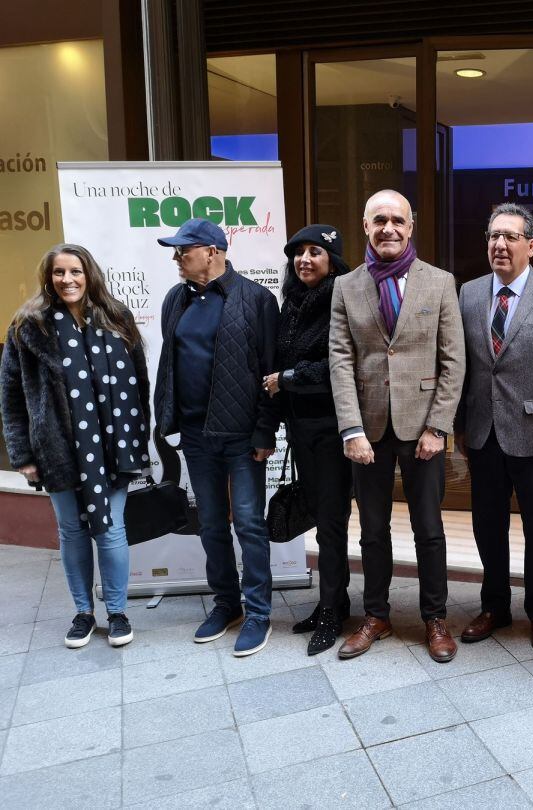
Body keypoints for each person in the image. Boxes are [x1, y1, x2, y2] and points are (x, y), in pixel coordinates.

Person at [329, 191, 465, 663]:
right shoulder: (346, 287)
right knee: (371, 530)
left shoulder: (440, 282)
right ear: (365, 226)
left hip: (422, 426)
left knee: (429, 529)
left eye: (398, 221)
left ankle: (435, 618)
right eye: (379, 221)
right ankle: (376, 615)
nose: (389, 229)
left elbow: (453, 361)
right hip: (367, 429)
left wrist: (438, 427)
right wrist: (350, 429)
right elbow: (341, 360)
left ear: (411, 228)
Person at [1, 244, 150, 648]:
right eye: (59, 273)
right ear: (48, 278)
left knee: (112, 531)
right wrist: (24, 456)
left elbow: (140, 385)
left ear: (90, 275)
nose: (67, 280)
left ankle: (117, 612)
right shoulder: (28, 326)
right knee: (71, 531)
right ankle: (84, 612)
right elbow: (11, 396)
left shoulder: (117, 317)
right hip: (57, 450)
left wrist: (139, 440)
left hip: (114, 446)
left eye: (75, 271)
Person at [455, 202, 533, 654]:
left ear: (531, 245)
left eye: (510, 237)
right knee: (486, 526)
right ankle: (494, 607)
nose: (499, 245)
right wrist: (459, 429)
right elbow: (460, 368)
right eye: (493, 236)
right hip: (483, 431)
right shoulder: (469, 293)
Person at [154, 218, 279, 657]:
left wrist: (266, 429)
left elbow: (270, 371)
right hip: (195, 434)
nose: (176, 257)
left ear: (213, 251)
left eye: (182, 250)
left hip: (242, 435)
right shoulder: (176, 299)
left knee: (248, 522)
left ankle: (258, 612)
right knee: (210, 524)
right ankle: (227, 604)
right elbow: (169, 361)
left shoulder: (256, 299)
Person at [262, 224, 353, 656]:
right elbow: (278, 369)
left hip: (335, 430)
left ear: (331, 260)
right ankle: (334, 600)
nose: (304, 260)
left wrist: (290, 380)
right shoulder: (292, 305)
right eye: (298, 253)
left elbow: (340, 366)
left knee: (332, 525)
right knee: (322, 520)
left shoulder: (343, 299)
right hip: (302, 431)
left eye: (315, 252)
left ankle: (333, 611)